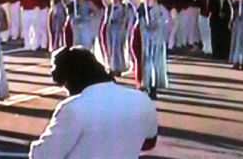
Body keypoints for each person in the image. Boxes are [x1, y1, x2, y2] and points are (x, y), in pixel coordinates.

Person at [30, 47, 158, 159]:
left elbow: (45, 154)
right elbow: (149, 142)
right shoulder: (142, 100)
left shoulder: (73, 108)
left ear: (71, 79)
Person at [131, 0, 171, 99]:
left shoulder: (160, 7)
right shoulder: (141, 7)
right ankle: (147, 85)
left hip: (156, 39)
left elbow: (168, 21)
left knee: (155, 63)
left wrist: (159, 25)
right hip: (145, 39)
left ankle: (154, 87)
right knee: (146, 62)